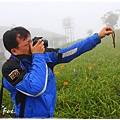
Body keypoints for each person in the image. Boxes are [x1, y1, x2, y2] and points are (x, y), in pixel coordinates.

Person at [1, 26, 113, 118]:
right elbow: (35, 88)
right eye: (27, 44)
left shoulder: (44, 55)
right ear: (14, 51)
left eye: (31, 41)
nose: (32, 46)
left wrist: (97, 36)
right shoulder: (10, 68)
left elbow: (69, 52)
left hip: (49, 114)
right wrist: (38, 56)